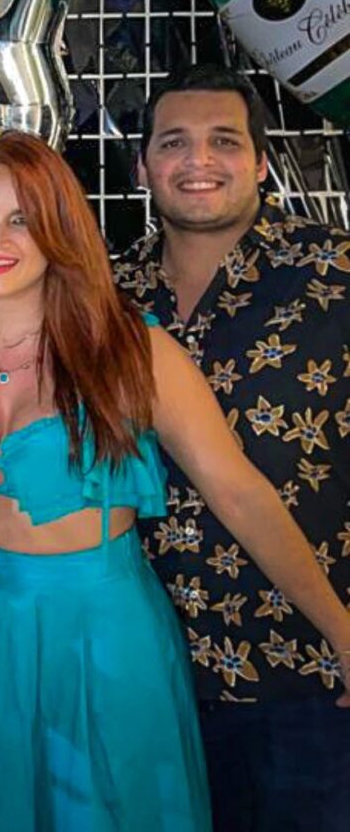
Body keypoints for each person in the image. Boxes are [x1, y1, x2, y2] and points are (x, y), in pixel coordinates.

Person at [0, 131, 350, 831]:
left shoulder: (131, 347)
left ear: (61, 229)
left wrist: (343, 632)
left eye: (24, 219)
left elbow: (238, 492)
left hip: (100, 636)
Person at [114, 63, 350, 831]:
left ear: (259, 160)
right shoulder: (106, 300)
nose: (199, 160)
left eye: (224, 140)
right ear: (144, 164)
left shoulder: (336, 273)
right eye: (175, 142)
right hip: (147, 677)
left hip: (310, 667)